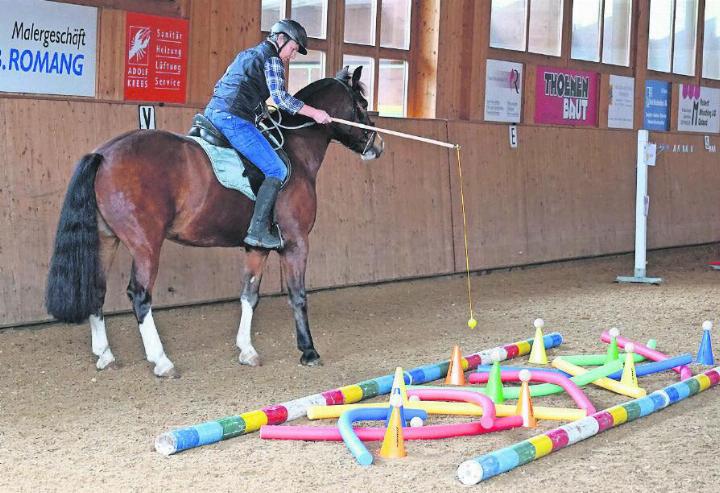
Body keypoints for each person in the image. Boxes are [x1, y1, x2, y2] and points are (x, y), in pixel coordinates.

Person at [204, 19, 331, 249]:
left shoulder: (247, 55)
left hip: (212, 113)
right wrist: (315, 113)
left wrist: (258, 110)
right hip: (234, 120)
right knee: (277, 168)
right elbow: (281, 99)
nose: (292, 56)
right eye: (293, 49)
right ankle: (258, 230)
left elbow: (227, 86)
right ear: (281, 39)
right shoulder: (272, 59)